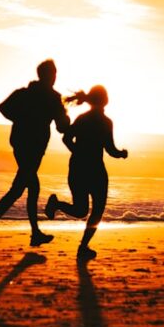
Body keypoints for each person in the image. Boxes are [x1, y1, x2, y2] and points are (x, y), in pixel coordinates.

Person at [0, 59, 69, 248]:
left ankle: (34, 233)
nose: (54, 77)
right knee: (20, 188)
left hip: (20, 143)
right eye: (53, 74)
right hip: (33, 146)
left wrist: (20, 119)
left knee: (31, 186)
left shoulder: (25, 93)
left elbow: (3, 108)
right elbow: (62, 127)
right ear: (48, 75)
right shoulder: (52, 97)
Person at [45, 85, 128, 261]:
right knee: (97, 210)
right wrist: (122, 154)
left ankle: (57, 205)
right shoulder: (106, 122)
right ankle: (83, 246)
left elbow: (66, 138)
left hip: (77, 167)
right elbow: (110, 149)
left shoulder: (82, 118)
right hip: (96, 170)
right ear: (105, 100)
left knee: (81, 210)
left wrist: (77, 152)